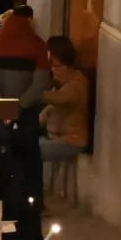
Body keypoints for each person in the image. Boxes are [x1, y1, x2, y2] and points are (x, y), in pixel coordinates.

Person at [41, 34, 90, 169]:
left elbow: (59, 98)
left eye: (57, 66)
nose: (53, 70)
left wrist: (32, 93)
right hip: (53, 137)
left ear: (68, 64)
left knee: (30, 152)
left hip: (69, 141)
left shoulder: (77, 84)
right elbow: (47, 112)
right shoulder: (59, 83)